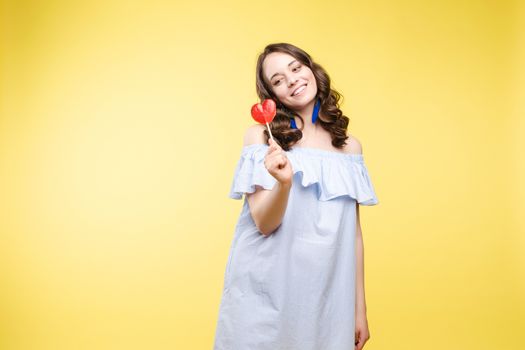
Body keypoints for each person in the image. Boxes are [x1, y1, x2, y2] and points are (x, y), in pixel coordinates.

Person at [213, 42, 379, 350]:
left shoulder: (350, 147)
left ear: (311, 69)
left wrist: (359, 309)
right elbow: (264, 223)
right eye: (277, 80)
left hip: (327, 295)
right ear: (272, 95)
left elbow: (352, 235)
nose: (292, 80)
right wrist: (284, 183)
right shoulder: (262, 138)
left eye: (295, 68)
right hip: (267, 291)